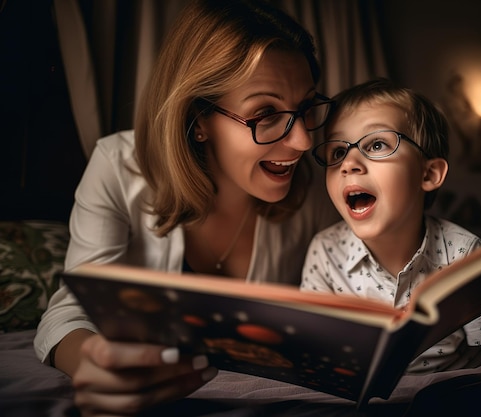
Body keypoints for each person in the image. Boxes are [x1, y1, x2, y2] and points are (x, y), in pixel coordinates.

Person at [34, 0, 340, 415]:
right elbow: (69, 309)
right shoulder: (116, 167)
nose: (303, 141)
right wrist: (91, 361)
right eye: (265, 113)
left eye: (304, 109)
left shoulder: (318, 192)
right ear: (198, 119)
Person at [301, 78, 481, 378]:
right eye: (336, 152)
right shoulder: (325, 251)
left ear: (429, 174)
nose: (349, 163)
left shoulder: (464, 255)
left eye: (376, 144)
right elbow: (315, 354)